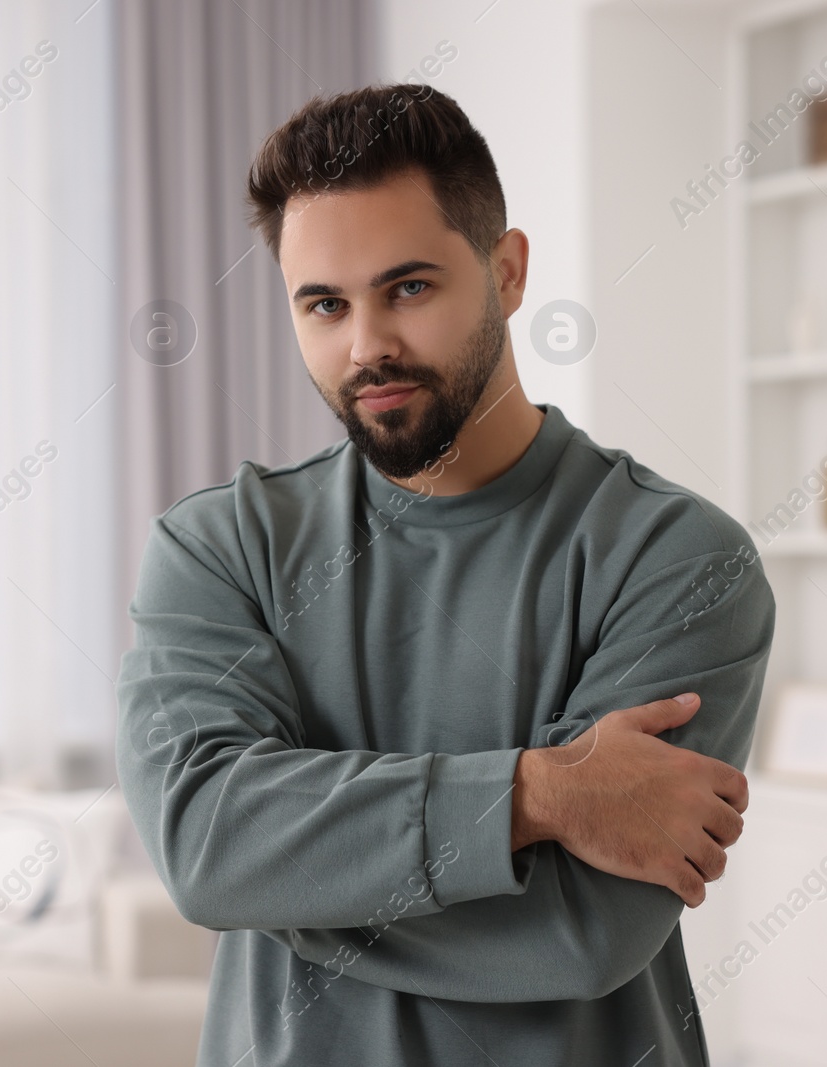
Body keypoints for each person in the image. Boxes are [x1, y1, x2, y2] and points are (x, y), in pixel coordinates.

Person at [116, 83, 775, 1067]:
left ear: (506, 271)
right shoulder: (220, 548)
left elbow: (583, 930)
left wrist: (289, 869)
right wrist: (537, 795)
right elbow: (207, 845)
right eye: (325, 304)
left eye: (409, 287)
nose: (365, 343)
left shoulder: (678, 560)